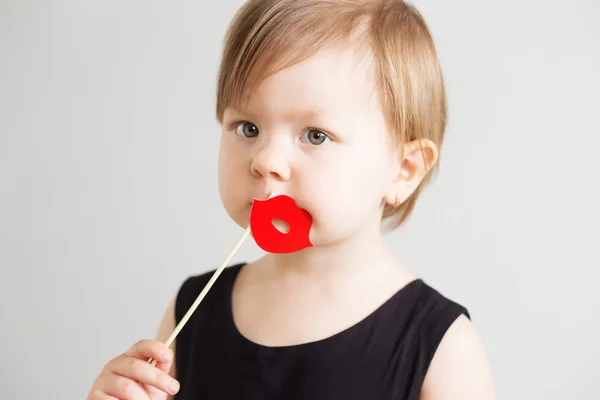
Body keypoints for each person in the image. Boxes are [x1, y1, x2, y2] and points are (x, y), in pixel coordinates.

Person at [86, 0, 495, 399]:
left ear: (403, 169)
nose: (265, 160)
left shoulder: (441, 348)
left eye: (315, 135)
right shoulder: (192, 312)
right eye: (247, 128)